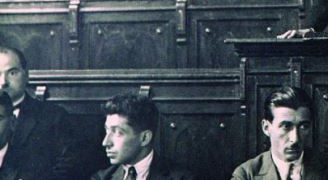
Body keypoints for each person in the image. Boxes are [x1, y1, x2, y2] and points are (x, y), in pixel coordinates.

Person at [0, 46, 79, 180]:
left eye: (12, 73)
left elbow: (68, 168)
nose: (3, 82)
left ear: (27, 75)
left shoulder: (54, 116)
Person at [231, 86, 328, 180]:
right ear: (266, 128)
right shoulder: (246, 175)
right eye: (286, 126)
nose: (295, 139)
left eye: (303, 127)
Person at [91, 93, 195, 180]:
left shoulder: (181, 178)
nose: (105, 142)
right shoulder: (101, 178)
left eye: (118, 132)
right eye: (107, 130)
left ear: (145, 138)